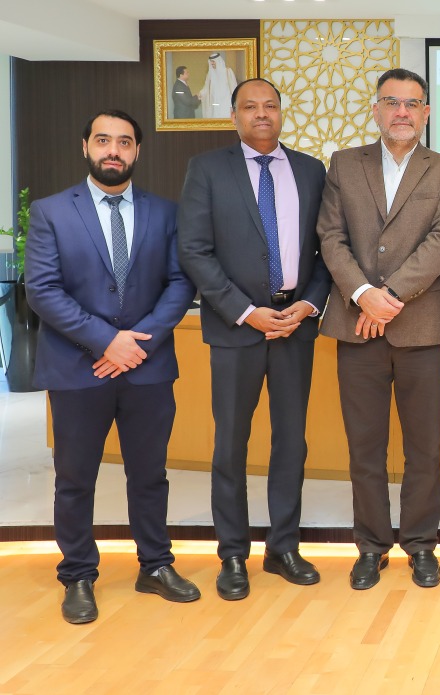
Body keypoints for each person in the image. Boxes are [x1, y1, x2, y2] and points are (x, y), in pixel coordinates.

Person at [24, 109, 199, 624]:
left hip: (146, 367)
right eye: (104, 140)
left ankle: (155, 566)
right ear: (85, 147)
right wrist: (106, 341)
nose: (113, 150)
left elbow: (179, 284)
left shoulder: (166, 213)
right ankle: (78, 574)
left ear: (137, 151)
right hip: (78, 370)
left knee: (150, 475)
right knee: (75, 479)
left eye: (124, 142)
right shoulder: (52, 212)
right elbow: (43, 290)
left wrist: (134, 343)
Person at [178, 78, 331, 601]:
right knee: (230, 445)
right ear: (234, 114)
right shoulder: (207, 170)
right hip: (236, 326)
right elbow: (194, 251)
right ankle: (233, 555)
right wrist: (246, 312)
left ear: (282, 112)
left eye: (269, 105)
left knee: (292, 441)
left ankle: (284, 547)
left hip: (295, 325)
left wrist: (307, 305)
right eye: (250, 106)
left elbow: (326, 249)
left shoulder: (311, 170)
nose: (261, 114)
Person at [316, 68, 440, 590]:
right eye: (392, 102)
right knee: (365, 447)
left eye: (413, 103)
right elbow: (331, 237)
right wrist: (363, 295)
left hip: (421, 327)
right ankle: (371, 546)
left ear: (426, 113)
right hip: (357, 327)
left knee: (424, 448)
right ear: (376, 110)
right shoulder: (343, 164)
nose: (402, 111)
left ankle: (421, 545)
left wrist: (391, 297)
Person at [199, 53, 237, 119]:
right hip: (215, 104)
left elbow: (234, 88)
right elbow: (206, 88)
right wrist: (200, 94)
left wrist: (232, 105)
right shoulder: (210, 74)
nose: (212, 63)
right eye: (211, 62)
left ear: (218, 61)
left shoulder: (228, 71)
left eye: (213, 62)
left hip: (227, 104)